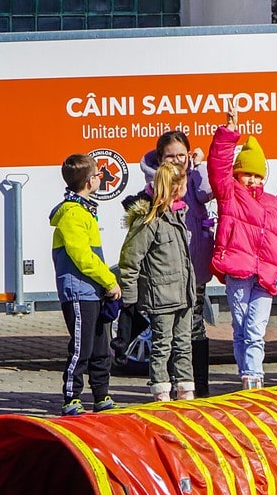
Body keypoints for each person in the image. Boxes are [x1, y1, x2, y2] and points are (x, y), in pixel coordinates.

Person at [207, 110, 277, 390]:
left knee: (256, 327)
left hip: (267, 275)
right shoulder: (229, 195)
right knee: (242, 324)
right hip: (239, 270)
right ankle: (248, 373)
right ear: (237, 173)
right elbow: (217, 166)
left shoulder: (274, 204)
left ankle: (253, 375)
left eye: (258, 175)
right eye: (248, 174)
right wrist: (228, 133)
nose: (253, 180)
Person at [138, 131, 214, 396]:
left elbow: (209, 190)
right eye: (171, 155)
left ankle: (197, 386)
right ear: (160, 158)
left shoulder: (193, 178)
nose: (177, 160)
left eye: (182, 154)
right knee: (166, 333)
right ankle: (166, 385)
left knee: (194, 326)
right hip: (167, 273)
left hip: (195, 263)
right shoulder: (154, 185)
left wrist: (201, 165)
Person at [118, 161, 197, 401]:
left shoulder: (178, 215)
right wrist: (130, 300)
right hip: (161, 297)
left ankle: (186, 390)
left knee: (184, 344)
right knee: (162, 345)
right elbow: (130, 260)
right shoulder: (149, 221)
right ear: (176, 188)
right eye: (184, 184)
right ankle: (161, 391)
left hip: (183, 294)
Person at [51, 153, 123, 415]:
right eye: (97, 175)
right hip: (79, 291)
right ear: (89, 181)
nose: (99, 179)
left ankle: (102, 395)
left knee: (101, 346)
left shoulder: (85, 211)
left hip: (93, 290)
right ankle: (72, 397)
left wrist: (104, 285)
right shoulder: (72, 214)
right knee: (82, 347)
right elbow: (83, 257)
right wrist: (109, 280)